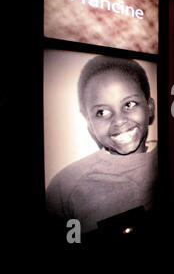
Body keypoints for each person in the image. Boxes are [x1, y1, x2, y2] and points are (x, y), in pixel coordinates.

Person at [46, 56, 158, 233]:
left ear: (149, 107)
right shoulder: (65, 187)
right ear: (89, 124)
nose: (119, 121)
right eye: (102, 112)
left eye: (129, 104)